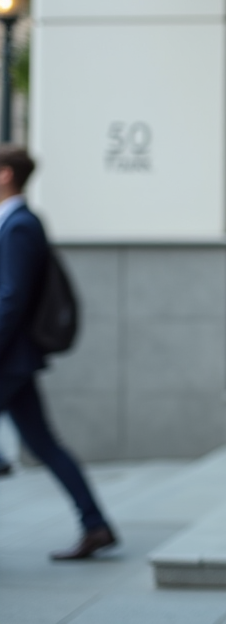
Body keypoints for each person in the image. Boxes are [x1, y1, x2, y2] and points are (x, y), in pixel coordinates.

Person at [0, 146, 118, 560]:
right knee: (45, 444)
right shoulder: (16, 223)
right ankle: (95, 524)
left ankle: (95, 522)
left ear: (6, 175)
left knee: (45, 443)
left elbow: (11, 297)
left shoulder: (18, 226)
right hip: (14, 360)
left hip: (8, 357)